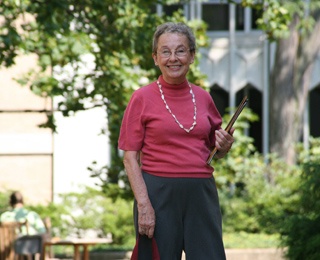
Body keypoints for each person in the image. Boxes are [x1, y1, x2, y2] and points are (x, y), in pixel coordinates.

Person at [118, 22, 234, 259]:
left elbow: (215, 150)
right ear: (155, 57)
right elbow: (130, 158)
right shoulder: (141, 98)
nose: (173, 58)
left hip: (201, 194)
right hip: (158, 195)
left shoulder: (203, 98)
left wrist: (224, 147)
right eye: (165, 51)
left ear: (191, 56)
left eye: (181, 50)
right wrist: (143, 205)